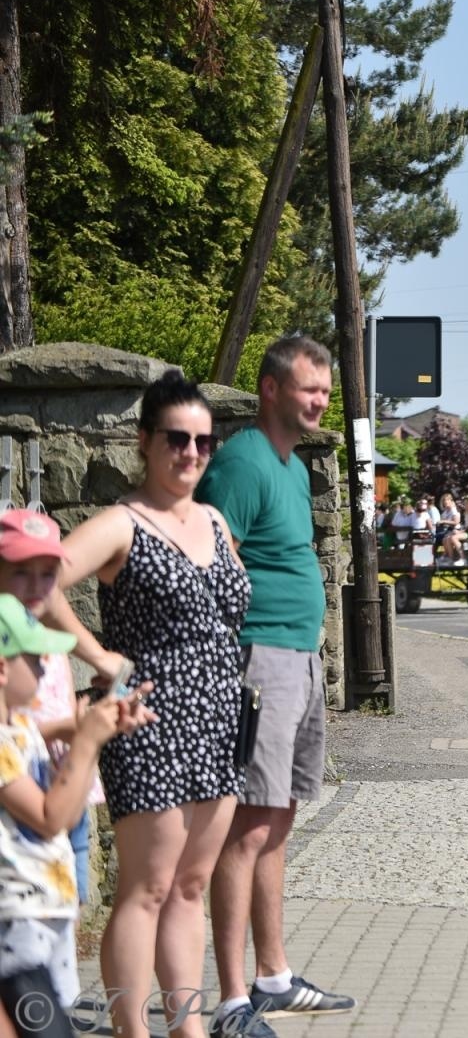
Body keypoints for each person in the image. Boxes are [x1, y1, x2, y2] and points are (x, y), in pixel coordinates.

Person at [42, 371, 251, 1038]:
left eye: (203, 442)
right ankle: (134, 1031)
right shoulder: (119, 524)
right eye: (177, 439)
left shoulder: (215, 521)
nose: (191, 453)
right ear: (145, 442)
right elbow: (38, 579)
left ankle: (185, 1029)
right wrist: (98, 658)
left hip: (218, 722)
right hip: (149, 721)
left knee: (191, 888)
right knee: (147, 889)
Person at [197, 336, 355, 1038]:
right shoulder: (242, 463)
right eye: (307, 389)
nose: (319, 400)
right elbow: (211, 554)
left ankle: (273, 977)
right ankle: (232, 1000)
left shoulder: (291, 464)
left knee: (280, 818)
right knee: (247, 826)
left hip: (298, 656)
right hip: (259, 659)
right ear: (269, 389)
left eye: (323, 390)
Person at [0, 595, 145, 1028]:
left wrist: (87, 725)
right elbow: (50, 817)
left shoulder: (16, 724)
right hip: (15, 926)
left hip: (41, 916)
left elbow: (38, 732)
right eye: (36, 660)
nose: (48, 668)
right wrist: (87, 743)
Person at [0, 512, 105, 909]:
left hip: (67, 789)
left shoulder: (47, 636)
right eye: (21, 572)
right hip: (27, 809)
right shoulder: (7, 641)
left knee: (68, 910)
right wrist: (77, 730)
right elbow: (13, 738)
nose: (36, 586)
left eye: (48, 574)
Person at [436, 492, 464, 565]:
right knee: (440, 538)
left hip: (455, 530)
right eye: (444, 500)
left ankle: (449, 558)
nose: (445, 502)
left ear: (451, 501)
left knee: (446, 539)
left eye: (447, 500)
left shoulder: (453, 510)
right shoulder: (445, 511)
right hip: (447, 530)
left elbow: (456, 522)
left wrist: (444, 521)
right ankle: (444, 557)